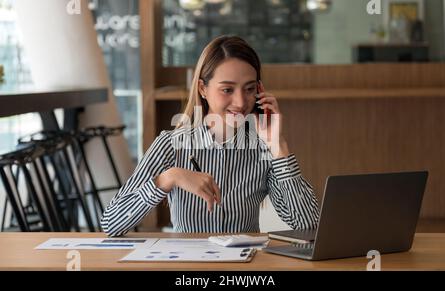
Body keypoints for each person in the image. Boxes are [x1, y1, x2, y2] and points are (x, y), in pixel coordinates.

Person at [101, 35, 319, 237]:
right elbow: (112, 223)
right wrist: (169, 178)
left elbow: (308, 224)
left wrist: (278, 146)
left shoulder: (264, 148)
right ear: (203, 89)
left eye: (250, 89)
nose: (241, 102)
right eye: (227, 90)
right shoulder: (171, 144)